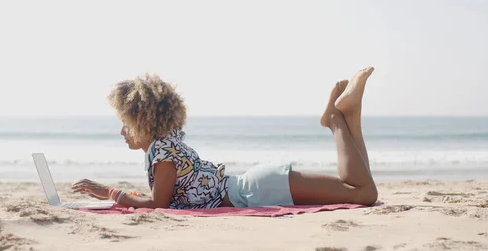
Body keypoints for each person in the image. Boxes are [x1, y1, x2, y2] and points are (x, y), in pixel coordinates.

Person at [72, 67, 378, 209]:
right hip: (255, 185)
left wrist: (109, 192)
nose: (122, 131)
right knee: (359, 188)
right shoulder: (168, 143)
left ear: (143, 121)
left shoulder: (162, 152)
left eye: (126, 123)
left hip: (256, 192)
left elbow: (157, 204)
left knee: (363, 194)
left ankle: (335, 120)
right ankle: (351, 115)